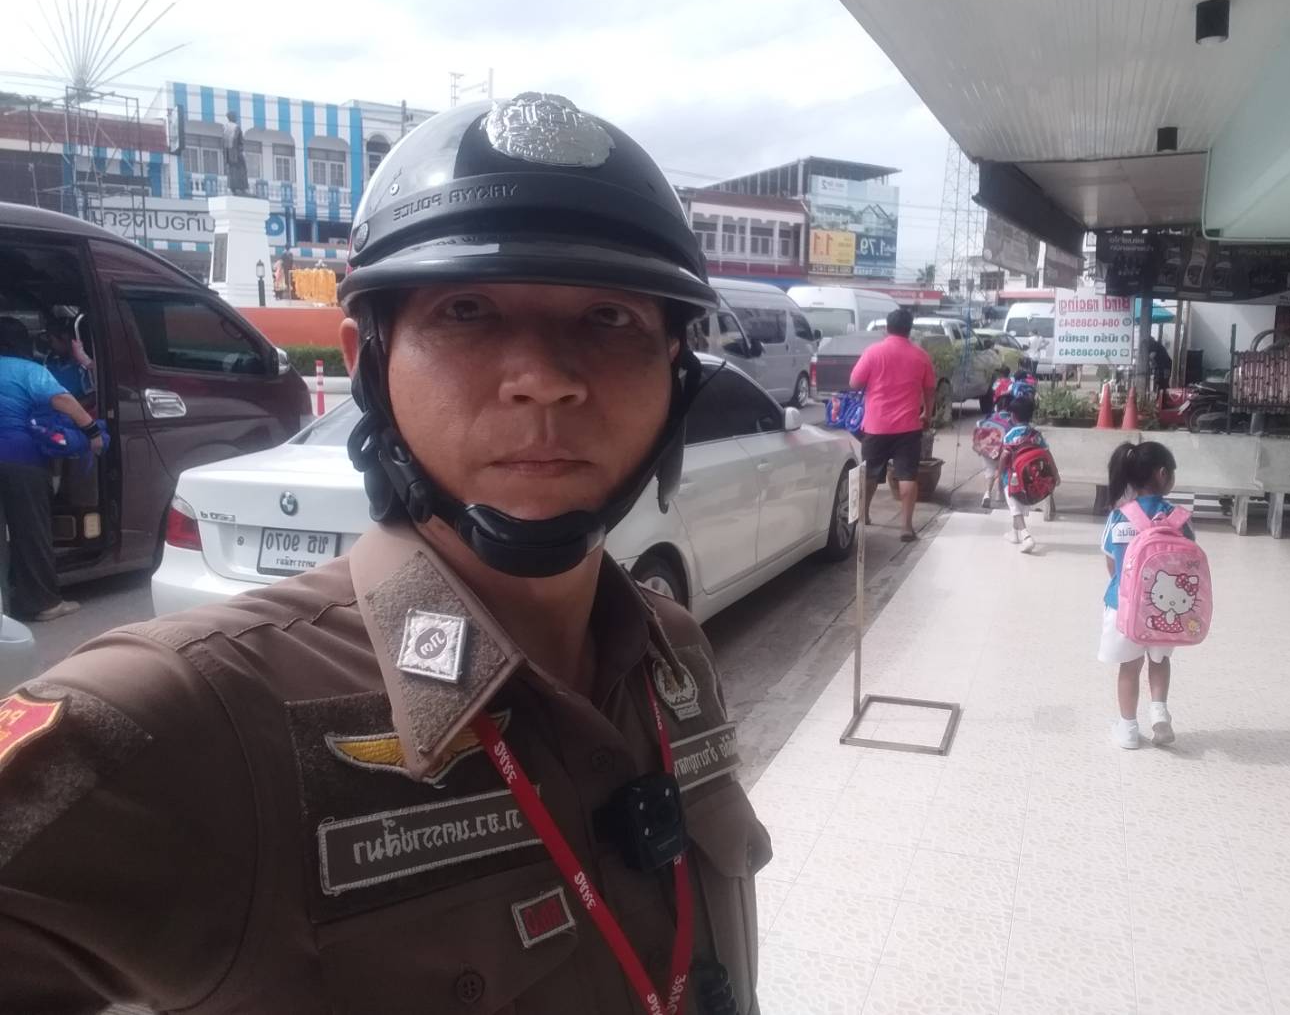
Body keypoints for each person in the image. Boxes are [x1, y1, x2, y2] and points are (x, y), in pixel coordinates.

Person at [0, 93, 770, 1014]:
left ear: (676, 375)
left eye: (608, 319)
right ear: (368, 361)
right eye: (467, 311)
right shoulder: (187, 712)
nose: (543, 381)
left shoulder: (671, 648)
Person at [0, 316, 102, 623]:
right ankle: (42, 603)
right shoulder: (29, 370)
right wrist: (92, 432)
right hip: (21, 460)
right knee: (30, 531)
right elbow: (61, 399)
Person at [1100, 440, 1191, 749]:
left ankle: (1127, 729)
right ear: (1163, 474)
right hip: (1166, 610)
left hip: (1125, 608)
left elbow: (1111, 564)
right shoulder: (1178, 518)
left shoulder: (1119, 516)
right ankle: (1159, 712)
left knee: (1129, 667)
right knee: (1160, 660)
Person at [850, 307, 935, 542]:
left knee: (869, 474)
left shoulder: (873, 352)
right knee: (907, 476)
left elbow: (854, 382)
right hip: (908, 426)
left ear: (887, 328)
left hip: (876, 425)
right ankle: (906, 527)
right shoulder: (921, 356)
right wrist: (927, 414)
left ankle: (864, 516)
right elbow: (930, 390)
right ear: (909, 329)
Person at [998, 393, 1046, 552]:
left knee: (1014, 508)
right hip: (1030, 477)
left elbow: (1004, 456)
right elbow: (1046, 453)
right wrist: (1055, 475)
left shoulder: (1010, 436)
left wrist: (999, 475)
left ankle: (1026, 537)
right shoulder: (1036, 435)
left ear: (1012, 416)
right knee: (1017, 505)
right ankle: (1014, 533)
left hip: (1012, 478)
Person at [43, 315, 93, 401]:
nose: (50, 345)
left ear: (65, 338)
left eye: (51, 340)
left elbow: (92, 397)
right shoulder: (52, 362)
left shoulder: (83, 369)